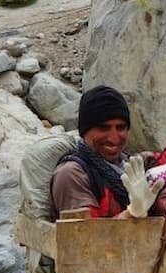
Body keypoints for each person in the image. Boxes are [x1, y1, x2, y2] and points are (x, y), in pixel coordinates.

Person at [50, 85, 158, 220]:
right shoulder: (72, 174)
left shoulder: (130, 164)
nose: (114, 138)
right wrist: (131, 213)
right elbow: (83, 235)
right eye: (103, 128)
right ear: (85, 131)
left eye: (121, 127)